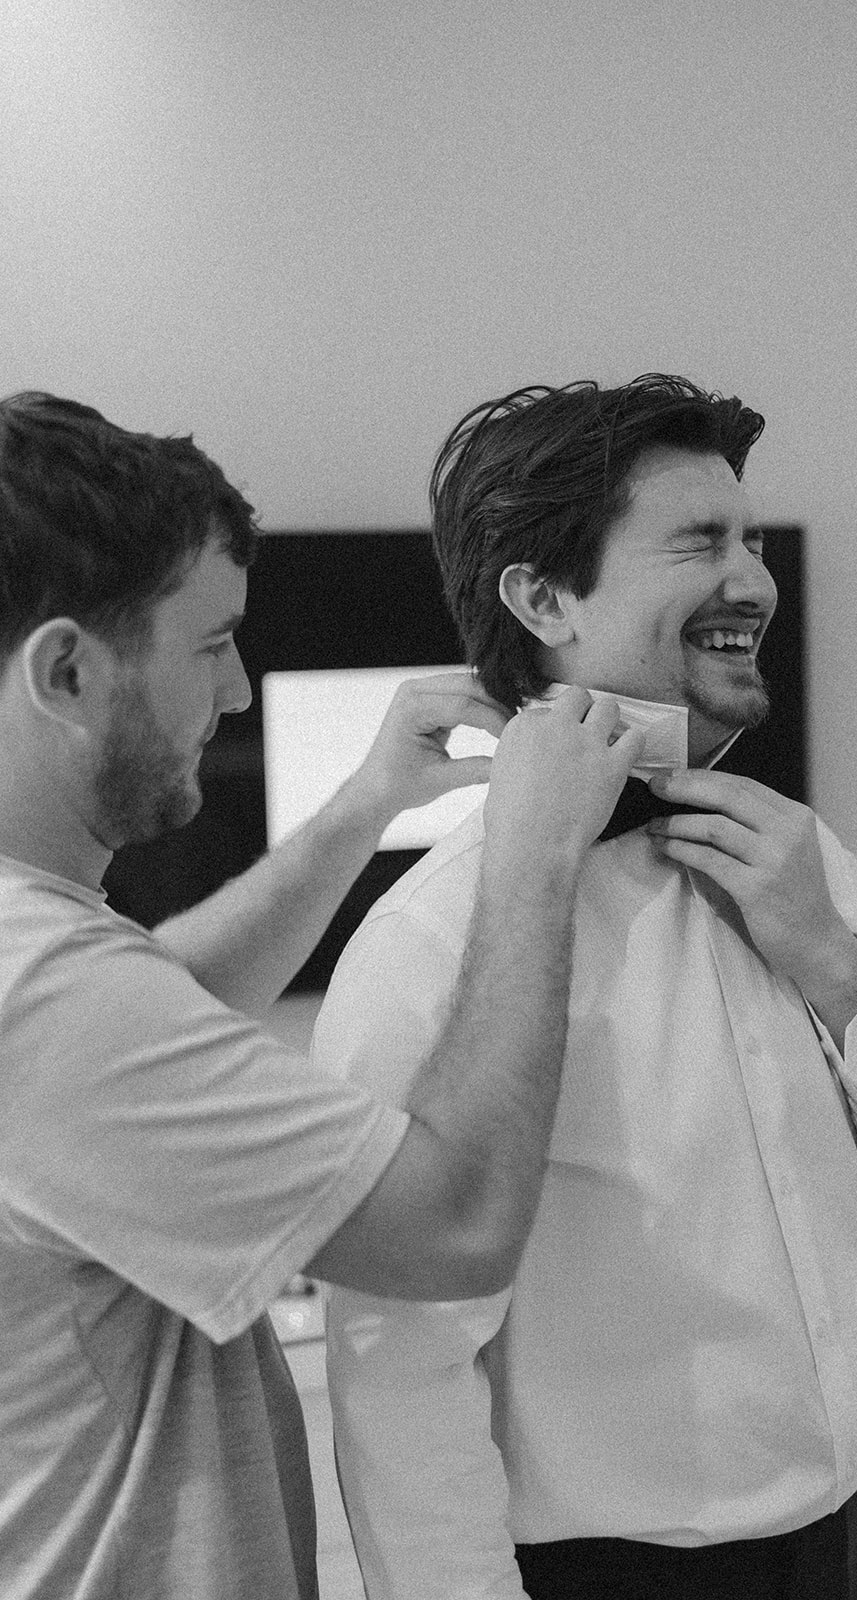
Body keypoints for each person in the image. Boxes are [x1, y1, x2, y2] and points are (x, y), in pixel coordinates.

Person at [317, 374, 857, 1600]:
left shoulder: (805, 867)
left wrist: (837, 968)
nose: (751, 581)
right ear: (542, 598)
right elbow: (400, 1377)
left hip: (834, 1543)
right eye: (699, 542)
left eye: (750, 540)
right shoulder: (427, 944)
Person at [0, 390, 642, 1600]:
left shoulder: (39, 949)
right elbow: (454, 1224)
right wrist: (531, 854)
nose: (238, 694)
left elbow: (159, 1002)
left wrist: (365, 804)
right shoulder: (38, 989)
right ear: (69, 671)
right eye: (208, 645)